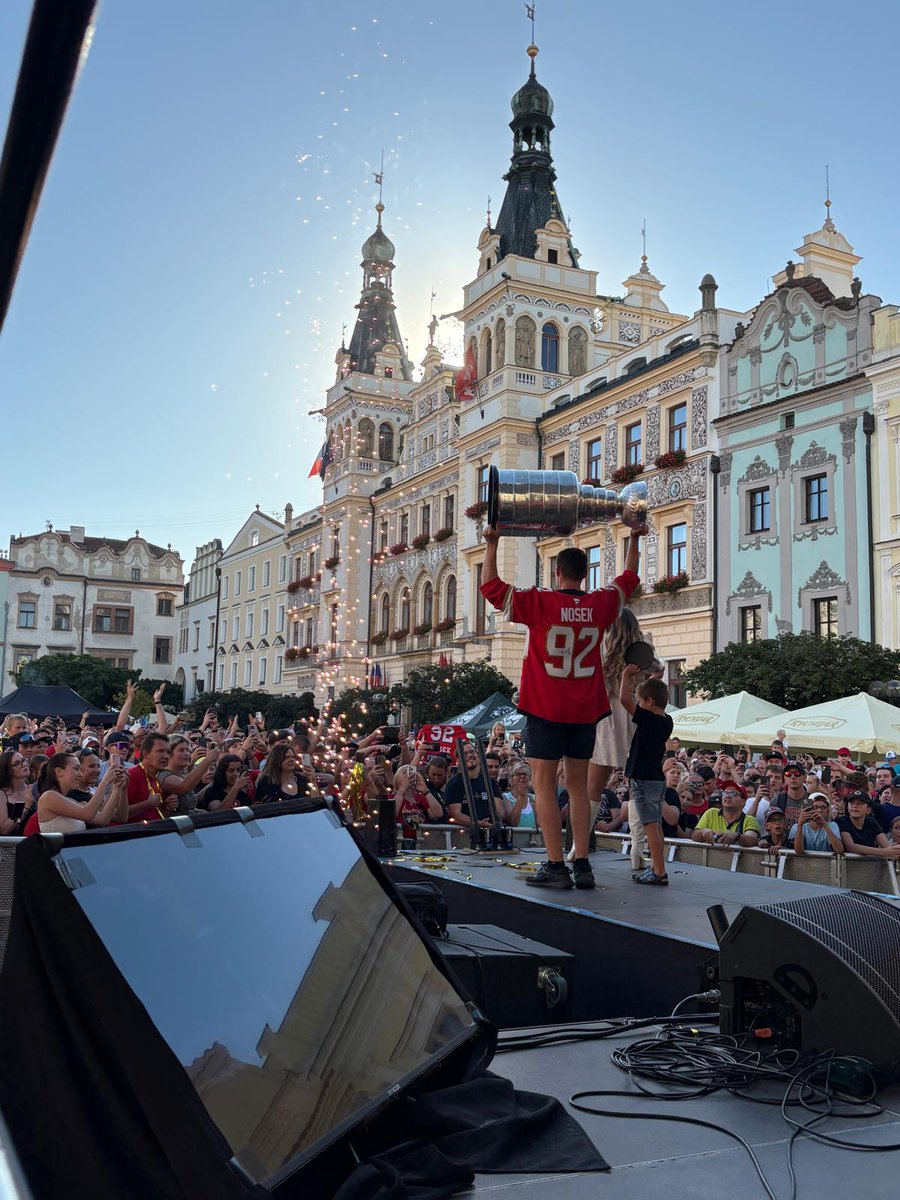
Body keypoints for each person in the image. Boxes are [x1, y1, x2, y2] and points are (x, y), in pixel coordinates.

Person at [480, 520, 646, 890]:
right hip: (585, 710)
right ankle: (583, 863)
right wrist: (633, 537)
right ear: (585, 574)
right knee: (580, 788)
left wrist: (492, 544)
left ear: (557, 572)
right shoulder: (601, 604)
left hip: (545, 708)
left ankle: (555, 863)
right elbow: (630, 577)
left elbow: (491, 588)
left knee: (543, 786)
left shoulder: (540, 601)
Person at [580, 607, 647, 866]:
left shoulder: (601, 650)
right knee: (638, 791)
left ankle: (578, 849)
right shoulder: (643, 649)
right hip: (637, 720)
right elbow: (659, 669)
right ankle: (637, 853)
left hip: (607, 723)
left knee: (592, 792)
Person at [619, 665, 673, 885]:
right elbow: (643, 700)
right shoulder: (666, 720)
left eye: (641, 701)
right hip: (656, 778)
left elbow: (624, 700)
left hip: (642, 778)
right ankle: (657, 868)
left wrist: (625, 676)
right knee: (656, 825)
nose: (638, 704)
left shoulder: (648, 719)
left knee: (649, 825)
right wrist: (649, 681)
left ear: (649, 702)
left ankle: (659, 872)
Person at [37, 753, 128, 832]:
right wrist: (105, 780)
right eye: (76, 769)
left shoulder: (68, 800)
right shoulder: (49, 796)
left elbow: (103, 819)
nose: (80, 774)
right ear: (59, 771)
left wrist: (117, 788)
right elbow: (87, 815)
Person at [445, 741, 503, 828]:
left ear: (478, 756)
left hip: (491, 832)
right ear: (458, 761)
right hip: (464, 835)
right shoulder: (454, 783)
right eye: (464, 753)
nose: (469, 755)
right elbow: (456, 813)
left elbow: (499, 810)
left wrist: (494, 822)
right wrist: (478, 823)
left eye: (472, 752)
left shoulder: (490, 782)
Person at [156, 736, 221, 814]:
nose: (187, 754)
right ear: (168, 753)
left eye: (187, 750)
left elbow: (190, 799)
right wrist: (208, 759)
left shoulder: (183, 774)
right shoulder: (164, 775)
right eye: (181, 750)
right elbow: (184, 787)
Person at [125, 731, 175, 821]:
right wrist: (148, 803)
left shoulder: (155, 777)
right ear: (145, 754)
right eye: (161, 751)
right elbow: (118, 814)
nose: (166, 756)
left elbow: (156, 816)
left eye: (168, 752)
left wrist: (168, 808)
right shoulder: (132, 775)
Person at [837, 791, 900, 860]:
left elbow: (886, 845)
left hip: (870, 868)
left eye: (860, 803)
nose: (855, 806)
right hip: (846, 868)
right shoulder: (842, 821)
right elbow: (851, 847)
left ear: (868, 810)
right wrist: (884, 852)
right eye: (851, 803)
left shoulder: (871, 822)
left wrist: (894, 851)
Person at [692, 783, 760, 847]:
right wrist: (703, 833)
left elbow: (752, 840)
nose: (727, 796)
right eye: (725, 793)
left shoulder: (750, 820)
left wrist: (737, 836)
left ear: (743, 802)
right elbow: (694, 835)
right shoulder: (711, 813)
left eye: (733, 794)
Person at [393, 764, 444, 843]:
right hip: (400, 841)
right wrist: (402, 789)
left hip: (421, 842)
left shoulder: (420, 798)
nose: (409, 775)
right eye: (405, 773)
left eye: (412, 773)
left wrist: (425, 790)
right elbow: (390, 814)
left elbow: (438, 814)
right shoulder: (392, 797)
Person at [255, 742, 320, 803]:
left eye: (293, 757)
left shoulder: (301, 779)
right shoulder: (267, 781)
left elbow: (316, 803)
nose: (291, 760)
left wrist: (313, 781)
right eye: (286, 757)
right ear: (277, 760)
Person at [0, 749, 32, 832]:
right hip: (12, 843)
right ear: (7, 770)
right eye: (17, 764)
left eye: (23, 760)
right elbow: (4, 830)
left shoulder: (33, 788)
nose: (24, 765)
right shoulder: (2, 794)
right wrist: (26, 808)